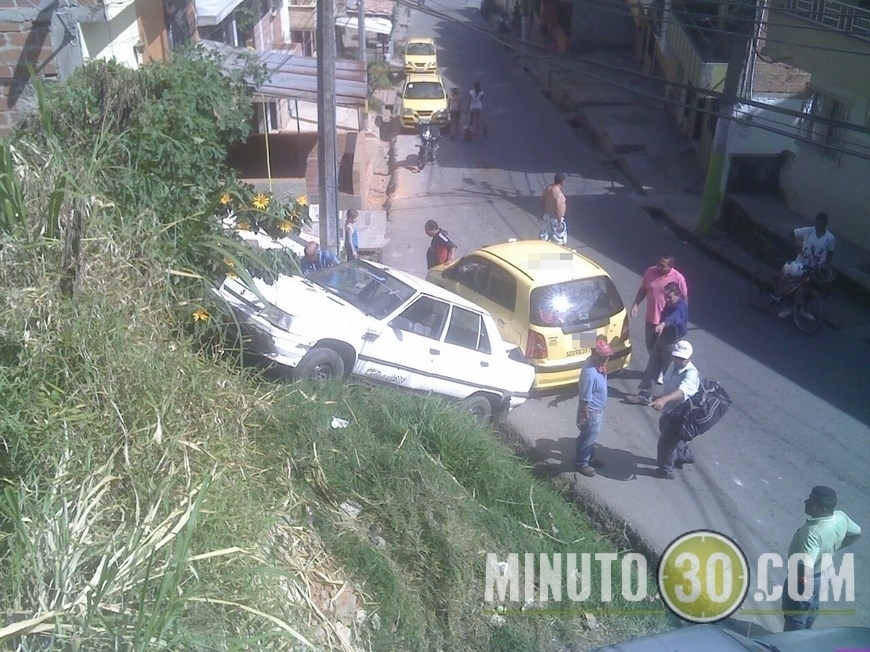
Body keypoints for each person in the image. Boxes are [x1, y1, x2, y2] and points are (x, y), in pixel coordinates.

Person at [782, 486, 861, 631]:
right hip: (825, 572)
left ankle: (792, 644)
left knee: (795, 615)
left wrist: (798, 584)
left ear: (823, 508)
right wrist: (835, 548)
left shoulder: (811, 533)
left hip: (808, 578)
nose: (806, 502)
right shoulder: (840, 517)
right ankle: (807, 635)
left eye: (811, 501)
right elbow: (857, 532)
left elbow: (804, 568)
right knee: (812, 608)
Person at [649, 339, 699, 479]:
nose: (679, 360)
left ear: (690, 358)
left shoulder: (691, 374)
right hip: (670, 410)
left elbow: (682, 392)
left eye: (682, 359)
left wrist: (663, 400)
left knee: (666, 443)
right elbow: (670, 384)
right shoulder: (673, 366)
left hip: (681, 415)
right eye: (677, 357)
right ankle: (683, 455)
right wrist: (661, 396)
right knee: (666, 431)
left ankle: (666, 471)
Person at [632, 282, 688, 404]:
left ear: (677, 294)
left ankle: (673, 399)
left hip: (672, 344)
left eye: (670, 297)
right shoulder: (669, 304)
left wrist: (663, 324)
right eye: (666, 296)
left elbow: (674, 318)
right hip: (661, 339)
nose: (667, 299)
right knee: (653, 367)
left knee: (671, 372)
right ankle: (644, 395)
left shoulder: (680, 307)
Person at [629, 255, 689, 368]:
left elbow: (683, 301)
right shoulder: (650, 271)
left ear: (671, 267)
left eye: (663, 266)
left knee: (666, 349)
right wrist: (635, 304)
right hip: (651, 318)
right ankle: (657, 366)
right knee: (650, 345)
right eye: (658, 264)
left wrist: (682, 318)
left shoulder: (678, 278)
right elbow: (643, 289)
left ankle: (660, 370)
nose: (659, 268)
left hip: (668, 323)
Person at [778, 213, 835, 318]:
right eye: (816, 223)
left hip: (815, 267)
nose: (817, 226)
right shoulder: (808, 231)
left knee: (808, 288)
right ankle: (788, 307)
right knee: (792, 284)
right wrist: (797, 247)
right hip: (801, 263)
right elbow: (792, 233)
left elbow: (831, 252)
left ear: (824, 225)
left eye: (819, 224)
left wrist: (826, 265)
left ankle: (803, 309)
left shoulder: (830, 238)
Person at [575, 339, 612, 477]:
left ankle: (590, 457)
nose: (607, 359)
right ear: (594, 354)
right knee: (587, 437)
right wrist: (587, 417)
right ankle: (582, 463)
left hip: (597, 411)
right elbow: (584, 400)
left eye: (608, 356)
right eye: (603, 356)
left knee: (592, 437)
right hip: (591, 412)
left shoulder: (598, 365)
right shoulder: (590, 373)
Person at [539, 172, 568, 245]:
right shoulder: (558, 193)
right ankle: (557, 255)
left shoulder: (548, 188)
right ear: (562, 182)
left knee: (545, 239)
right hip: (555, 219)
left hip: (546, 217)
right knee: (559, 241)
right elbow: (558, 209)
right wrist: (559, 222)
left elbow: (542, 201)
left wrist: (542, 213)